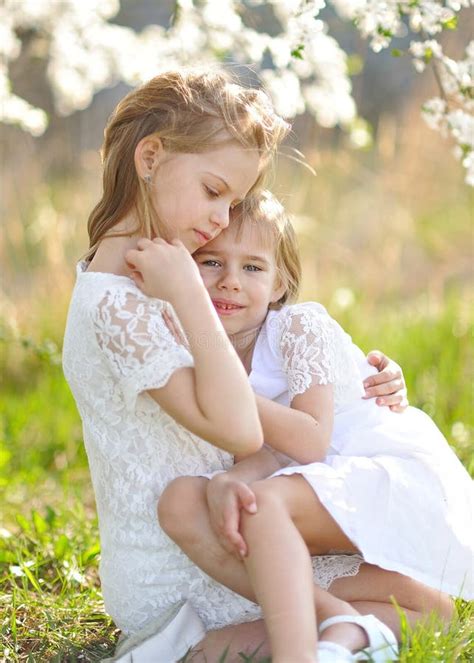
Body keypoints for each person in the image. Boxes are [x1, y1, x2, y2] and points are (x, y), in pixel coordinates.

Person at [62, 69, 422, 663]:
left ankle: (226, 646)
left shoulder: (146, 272)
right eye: (212, 191)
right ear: (150, 157)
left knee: (428, 603)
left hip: (224, 517)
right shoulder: (120, 302)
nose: (223, 218)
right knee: (414, 606)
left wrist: (365, 383)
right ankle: (249, 639)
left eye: (232, 200)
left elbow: (261, 371)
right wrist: (186, 292)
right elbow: (239, 430)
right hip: (188, 556)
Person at [157, 191, 472, 662]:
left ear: (280, 283)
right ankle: (344, 630)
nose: (229, 283)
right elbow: (266, 453)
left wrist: (217, 387)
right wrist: (232, 478)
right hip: (316, 487)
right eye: (210, 263)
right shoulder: (217, 355)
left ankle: (296, 653)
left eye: (253, 268)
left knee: (261, 507)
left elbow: (308, 439)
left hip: (383, 473)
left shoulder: (297, 327)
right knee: (190, 500)